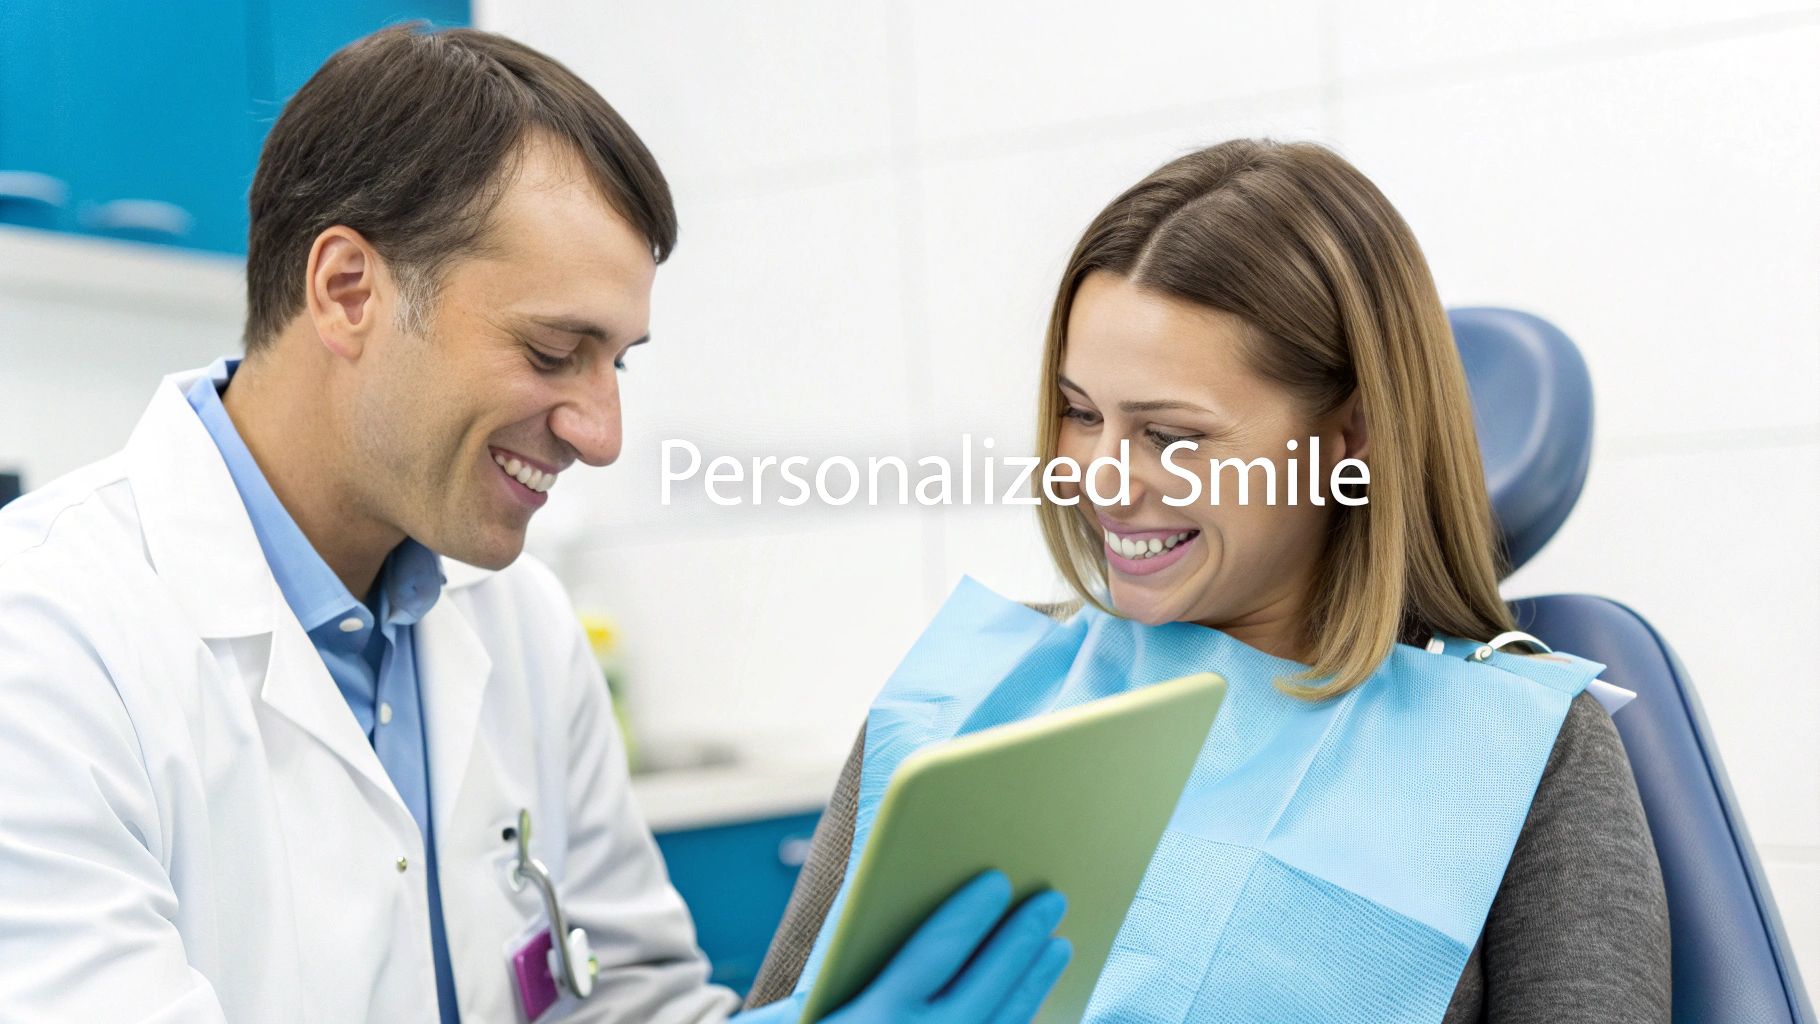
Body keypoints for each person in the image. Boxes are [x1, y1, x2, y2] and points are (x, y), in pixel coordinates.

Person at [0, 25, 1069, 1024]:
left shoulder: (516, 618)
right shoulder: (45, 642)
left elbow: (623, 992)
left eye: (617, 362)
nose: (601, 432)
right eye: (554, 352)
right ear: (345, 289)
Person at [748, 140, 1673, 1022]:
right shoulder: (959, 699)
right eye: (1079, 413)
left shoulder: (1515, 756)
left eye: (1172, 435)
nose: (1100, 475)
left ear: (1347, 437)